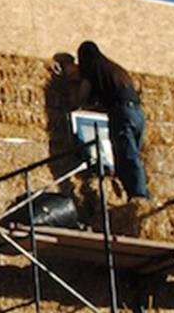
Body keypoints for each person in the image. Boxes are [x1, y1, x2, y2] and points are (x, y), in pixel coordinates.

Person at [55, 40, 149, 199]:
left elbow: (81, 98)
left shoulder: (92, 68)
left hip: (122, 113)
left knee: (126, 156)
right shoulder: (115, 70)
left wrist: (71, 94)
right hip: (138, 114)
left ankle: (138, 196)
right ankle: (141, 194)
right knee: (134, 156)